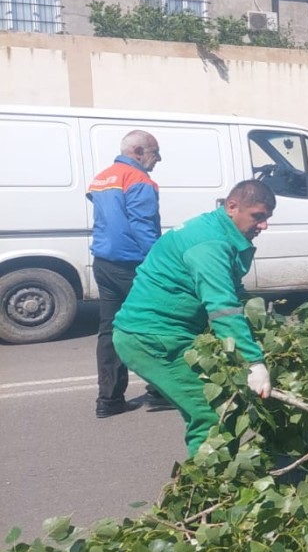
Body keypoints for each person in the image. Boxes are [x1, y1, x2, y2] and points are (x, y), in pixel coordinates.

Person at [112, 180, 276, 457]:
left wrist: (269, 323)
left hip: (166, 334)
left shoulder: (215, 229)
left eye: (267, 218)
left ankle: (215, 478)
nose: (264, 226)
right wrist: (254, 362)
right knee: (215, 414)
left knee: (221, 404)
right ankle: (209, 490)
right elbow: (222, 307)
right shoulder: (209, 245)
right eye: (258, 216)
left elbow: (233, 292)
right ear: (232, 207)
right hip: (152, 339)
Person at [86, 130, 174, 418]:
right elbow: (143, 226)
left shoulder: (103, 177)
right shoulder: (139, 180)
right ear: (138, 151)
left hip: (104, 263)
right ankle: (159, 393)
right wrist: (161, 264)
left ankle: (108, 400)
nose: (158, 159)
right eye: (155, 152)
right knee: (155, 324)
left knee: (109, 329)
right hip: (133, 264)